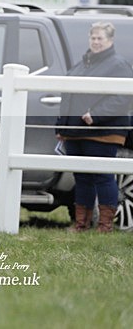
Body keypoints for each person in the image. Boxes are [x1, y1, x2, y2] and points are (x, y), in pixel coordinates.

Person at [56, 22, 133, 233]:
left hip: (103, 132)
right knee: (81, 177)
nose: (96, 42)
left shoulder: (119, 65)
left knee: (102, 176)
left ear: (110, 40)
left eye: (100, 38)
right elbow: (67, 96)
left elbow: (123, 98)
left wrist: (97, 115)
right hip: (75, 131)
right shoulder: (81, 65)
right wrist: (61, 127)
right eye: (93, 38)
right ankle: (82, 224)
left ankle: (105, 225)